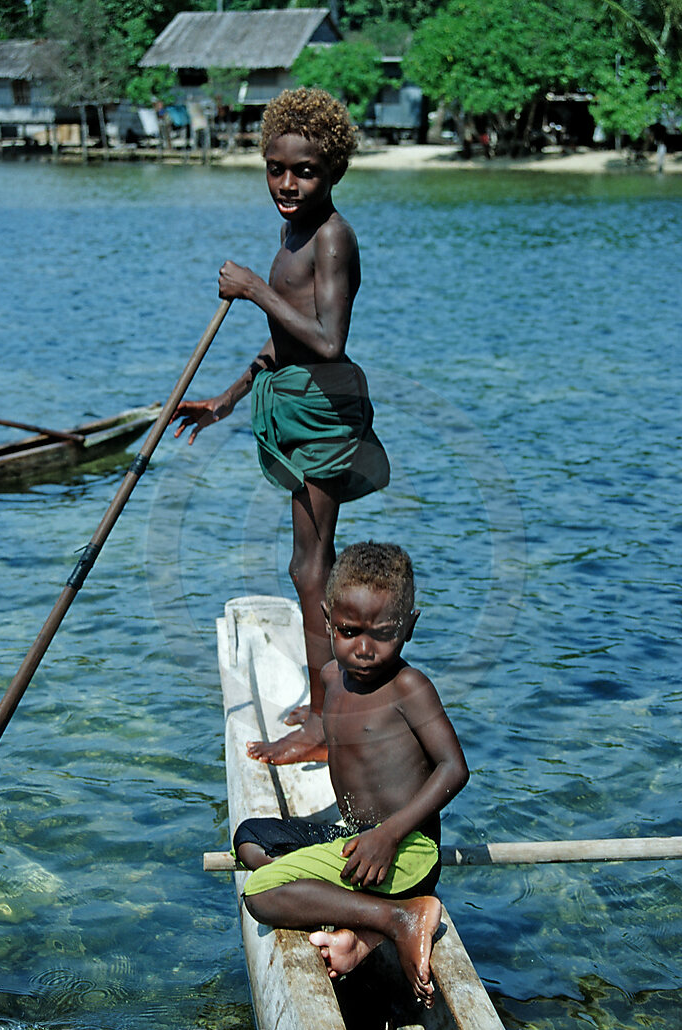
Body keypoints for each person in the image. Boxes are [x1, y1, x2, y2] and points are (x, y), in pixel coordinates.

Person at [170, 88, 389, 766]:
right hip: (293, 400)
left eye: (305, 172)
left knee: (309, 567)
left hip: (324, 411)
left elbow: (326, 341)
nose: (288, 184)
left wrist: (253, 289)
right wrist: (228, 398)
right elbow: (280, 342)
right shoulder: (292, 230)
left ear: (334, 172)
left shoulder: (332, 237)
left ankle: (327, 726)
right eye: (276, 168)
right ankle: (327, 703)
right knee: (307, 567)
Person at [232, 542, 469, 1007]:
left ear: (410, 626)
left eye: (382, 634)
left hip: (406, 851)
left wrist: (389, 835)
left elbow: (454, 768)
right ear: (327, 620)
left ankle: (399, 918)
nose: (363, 649)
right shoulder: (330, 677)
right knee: (250, 839)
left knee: (260, 894)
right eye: (348, 631)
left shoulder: (409, 687)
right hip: (355, 837)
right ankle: (365, 914)